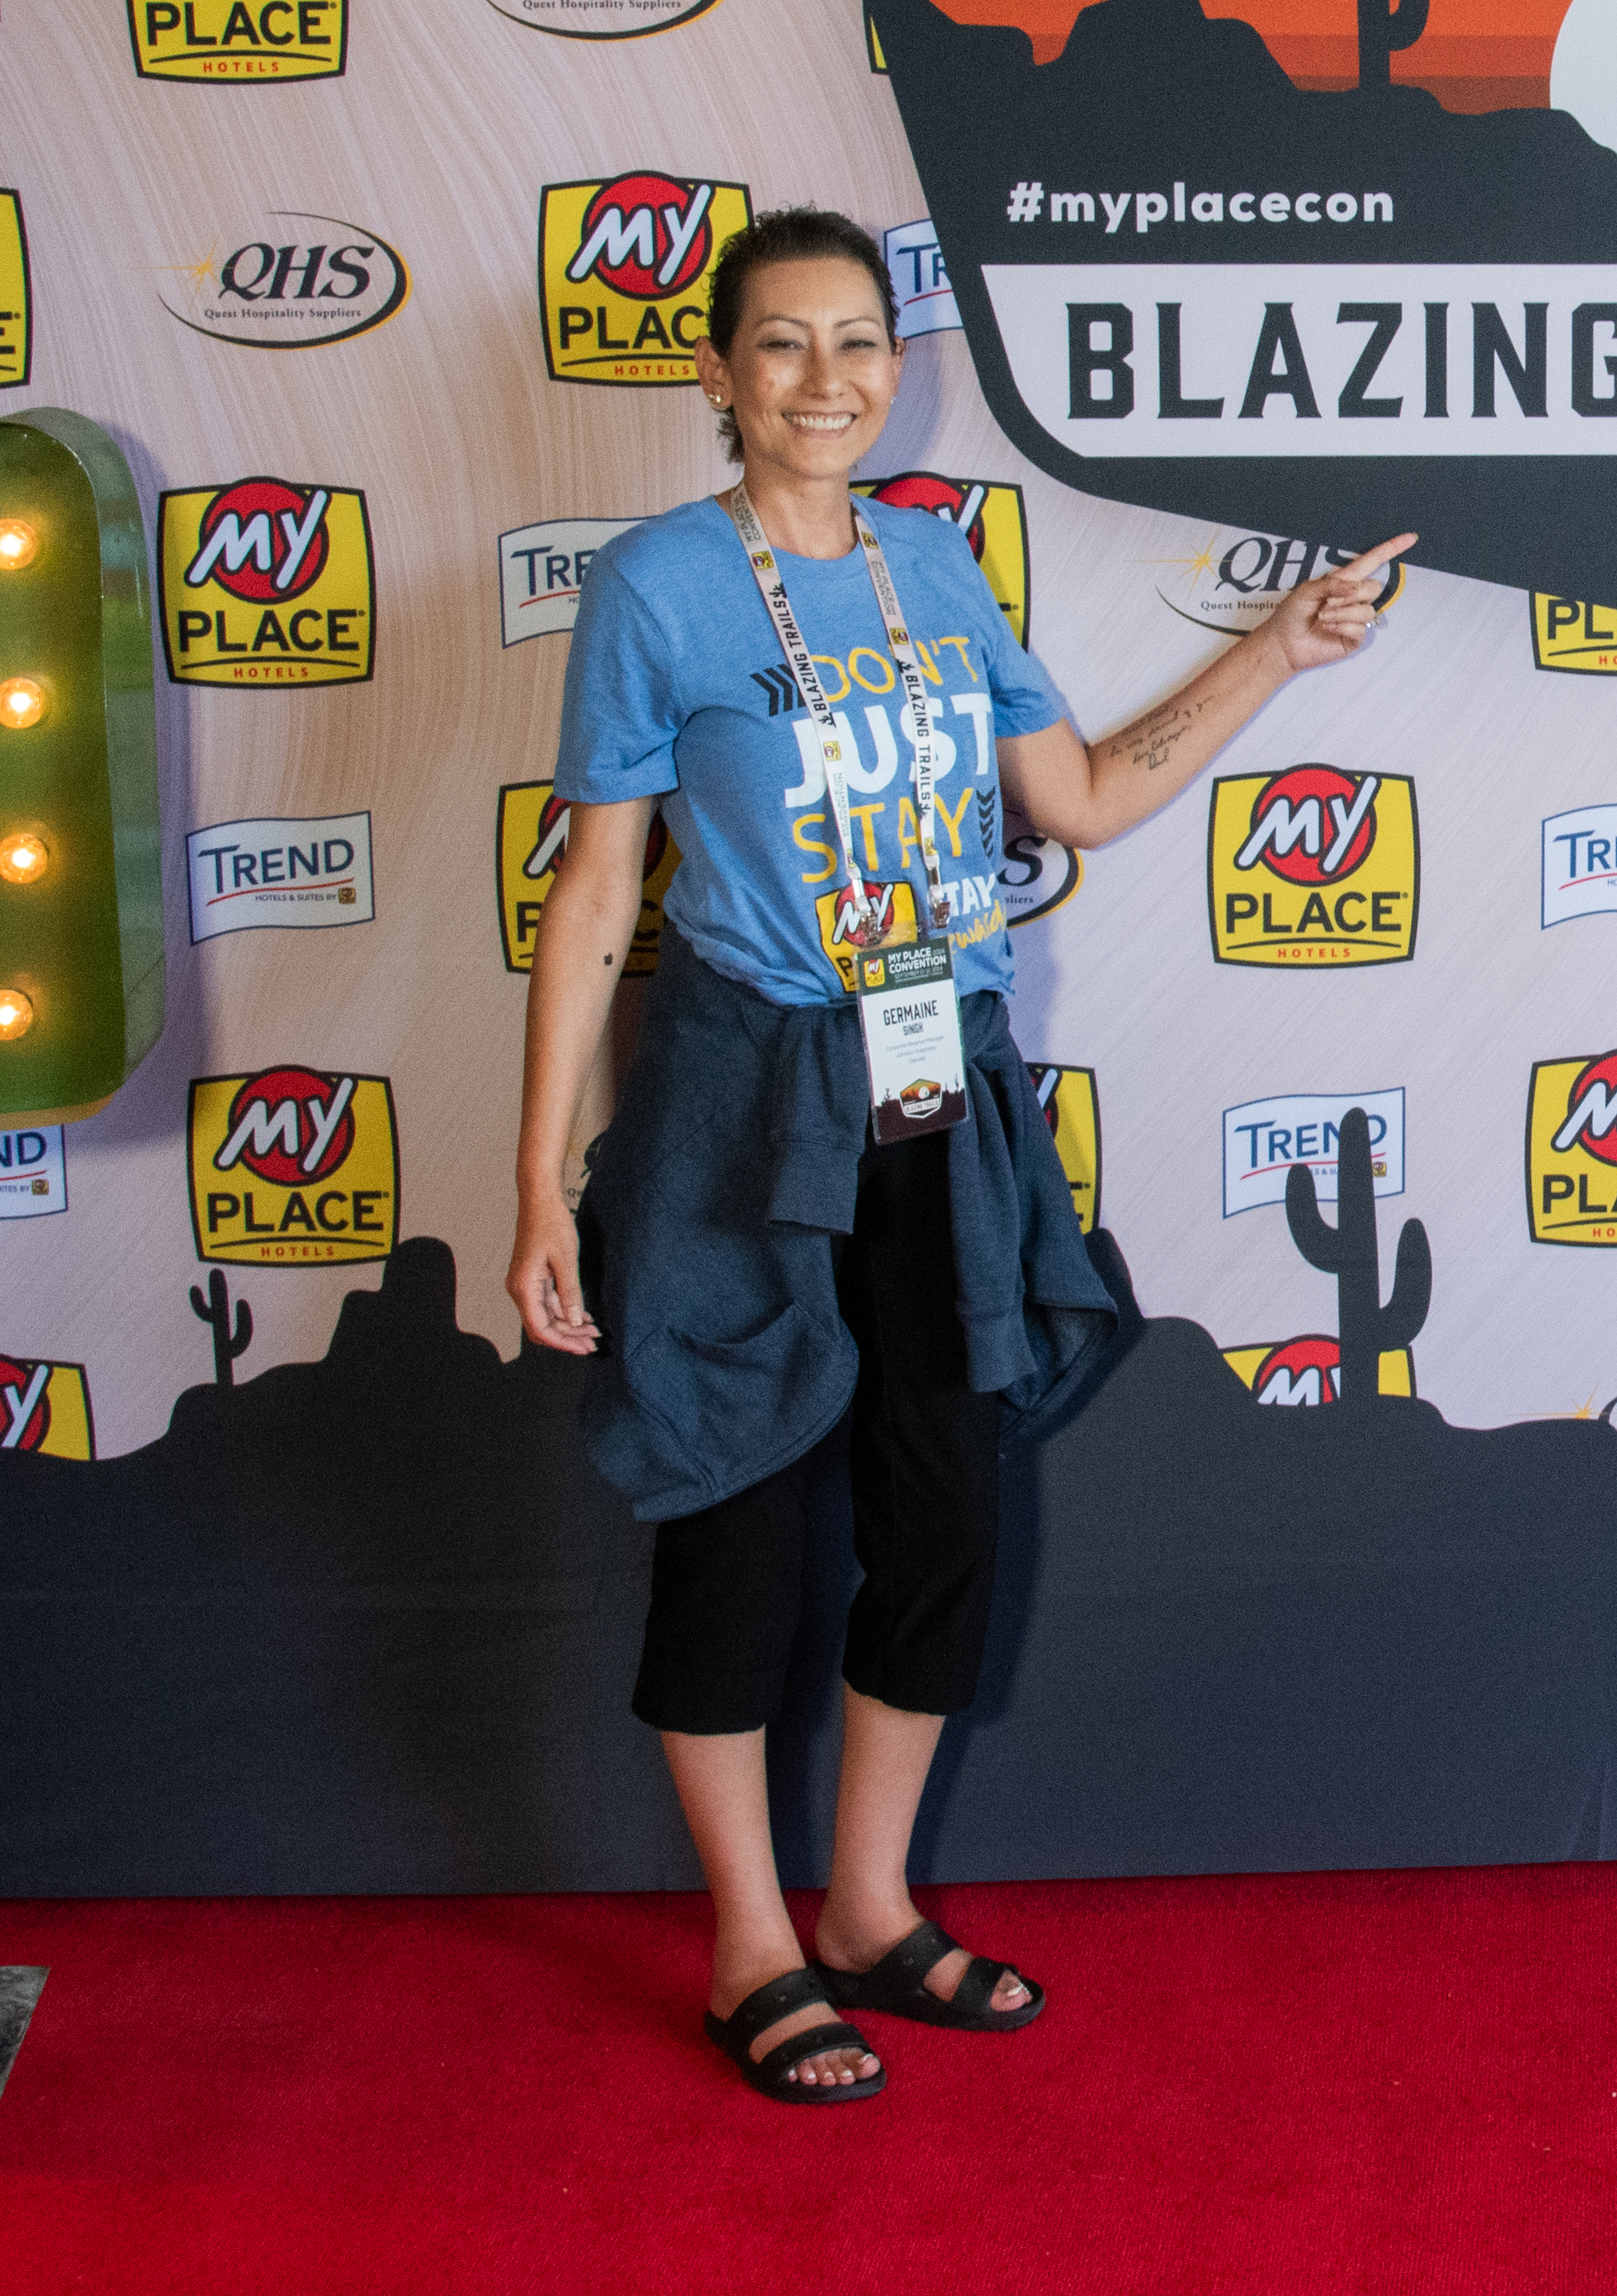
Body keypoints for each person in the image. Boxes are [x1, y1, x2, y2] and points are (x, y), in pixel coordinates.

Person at [505, 207, 1410, 2103]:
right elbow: (597, 893)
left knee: (944, 1504)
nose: (825, 378)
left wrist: (1277, 651)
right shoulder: (659, 586)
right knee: (736, 1509)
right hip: (743, 1096)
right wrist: (536, 1182)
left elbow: (1074, 797)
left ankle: (867, 1904)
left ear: (893, 367)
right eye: (780, 344)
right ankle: (751, 1940)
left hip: (940, 1086)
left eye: (858, 342)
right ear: (715, 370)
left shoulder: (933, 568)